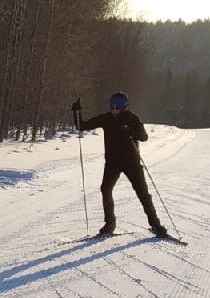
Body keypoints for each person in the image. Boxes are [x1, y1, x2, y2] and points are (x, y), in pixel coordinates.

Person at [71, 92, 168, 238]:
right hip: (113, 163)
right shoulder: (106, 118)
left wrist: (131, 131)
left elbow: (144, 137)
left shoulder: (132, 119)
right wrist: (76, 112)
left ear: (124, 107)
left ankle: (156, 225)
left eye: (117, 108)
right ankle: (110, 224)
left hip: (132, 163)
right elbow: (81, 126)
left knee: (143, 194)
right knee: (105, 189)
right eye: (112, 107)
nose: (114, 111)